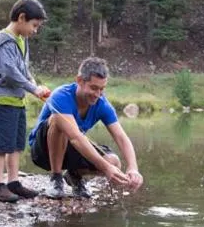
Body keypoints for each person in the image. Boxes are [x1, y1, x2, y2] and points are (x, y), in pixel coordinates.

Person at [28, 56, 143, 199]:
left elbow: (121, 137)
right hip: (42, 152)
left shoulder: (102, 103)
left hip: (70, 149)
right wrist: (106, 169)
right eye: (94, 88)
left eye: (101, 89)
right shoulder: (61, 96)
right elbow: (75, 138)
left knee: (113, 161)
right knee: (59, 121)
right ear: (80, 81)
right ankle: (56, 179)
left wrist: (133, 168)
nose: (97, 94)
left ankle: (74, 175)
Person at [0, 0, 52, 202]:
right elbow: (9, 72)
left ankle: (13, 182)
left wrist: (36, 86)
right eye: (34, 25)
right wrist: (33, 89)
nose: (35, 30)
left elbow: (23, 70)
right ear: (22, 18)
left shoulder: (21, 40)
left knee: (16, 144)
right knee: (1, 145)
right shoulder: (4, 41)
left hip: (17, 101)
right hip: (3, 101)